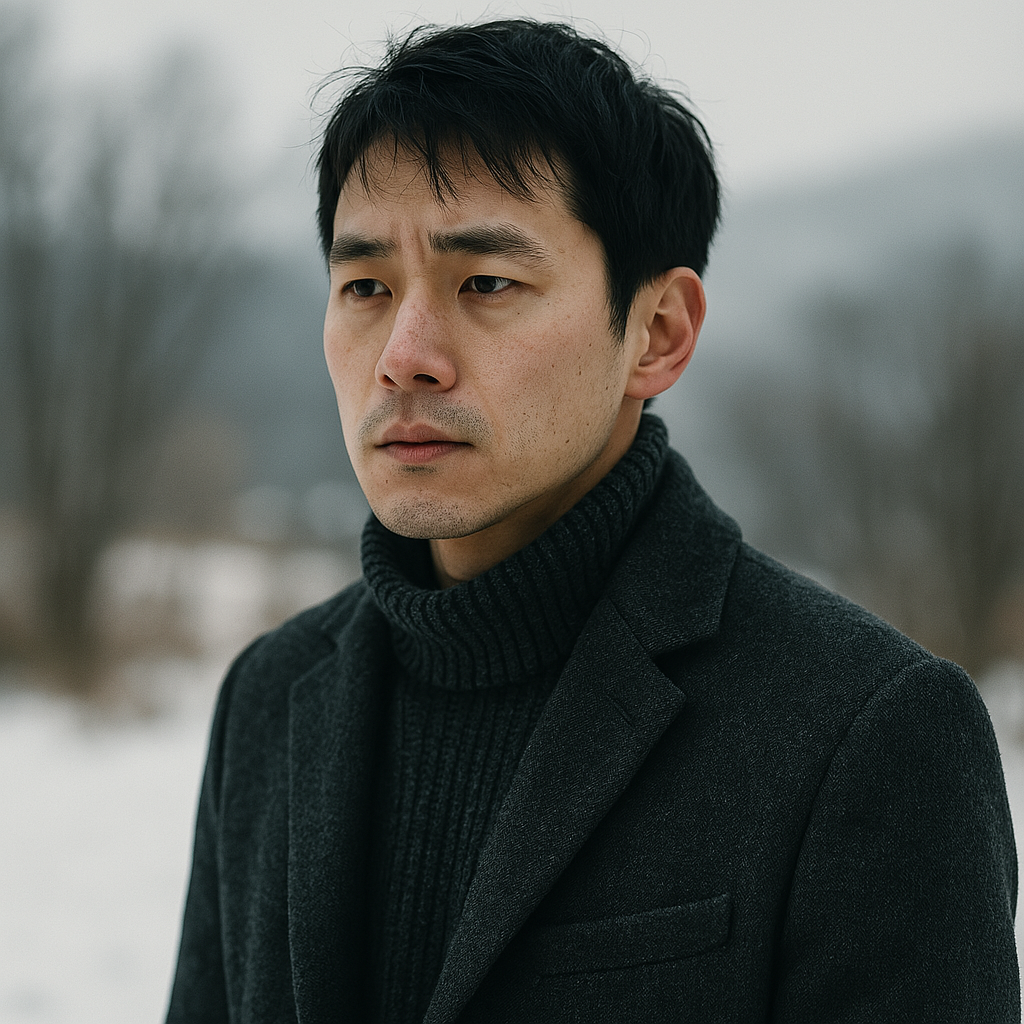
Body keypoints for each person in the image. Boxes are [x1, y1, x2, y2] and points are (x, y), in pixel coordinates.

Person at [165, 19, 1018, 1023]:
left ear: (656, 333)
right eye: (364, 287)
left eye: (486, 282)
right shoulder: (269, 698)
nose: (403, 356)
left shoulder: (869, 732)